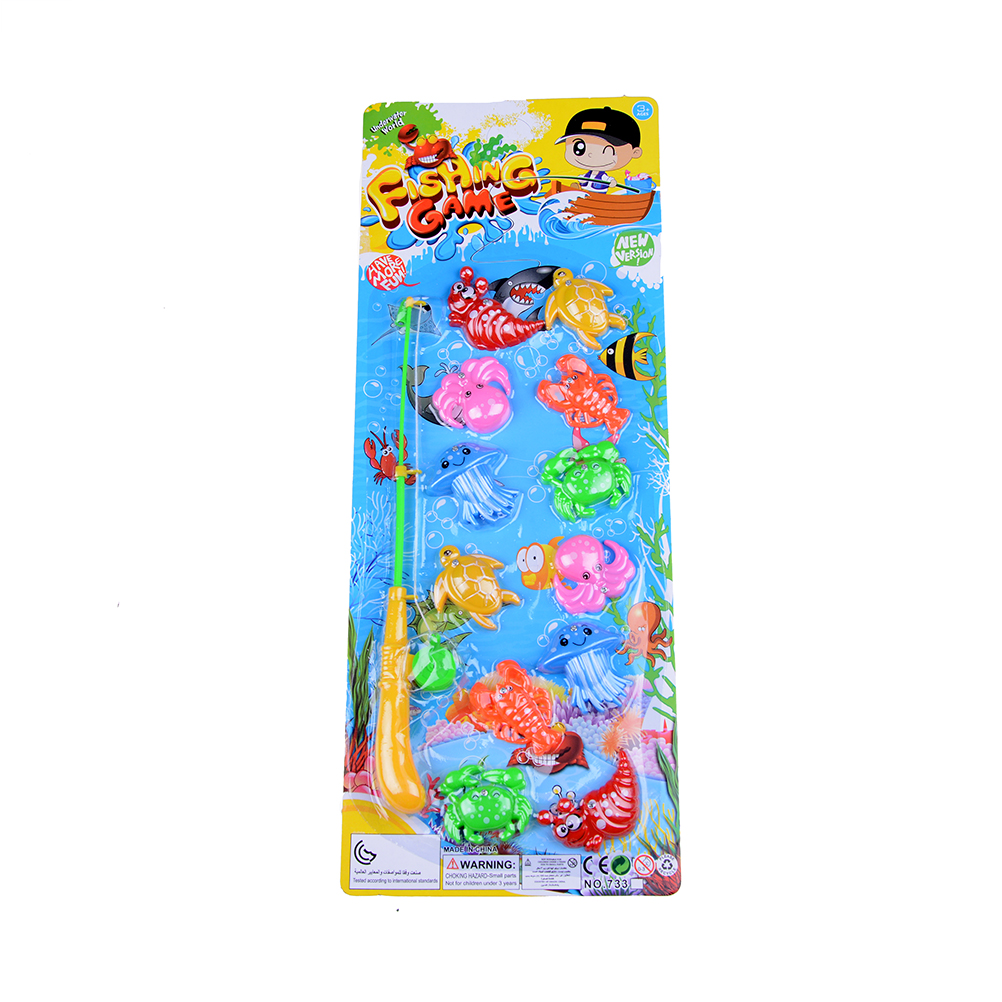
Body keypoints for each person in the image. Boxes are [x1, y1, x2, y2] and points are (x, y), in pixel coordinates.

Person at [555, 106, 643, 192]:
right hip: (585, 192)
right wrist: (581, 179)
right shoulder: (588, 174)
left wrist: (612, 182)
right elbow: (583, 178)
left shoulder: (603, 177)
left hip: (598, 195)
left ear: (635, 152)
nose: (590, 155)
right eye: (579, 148)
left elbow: (609, 180)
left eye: (607, 152)